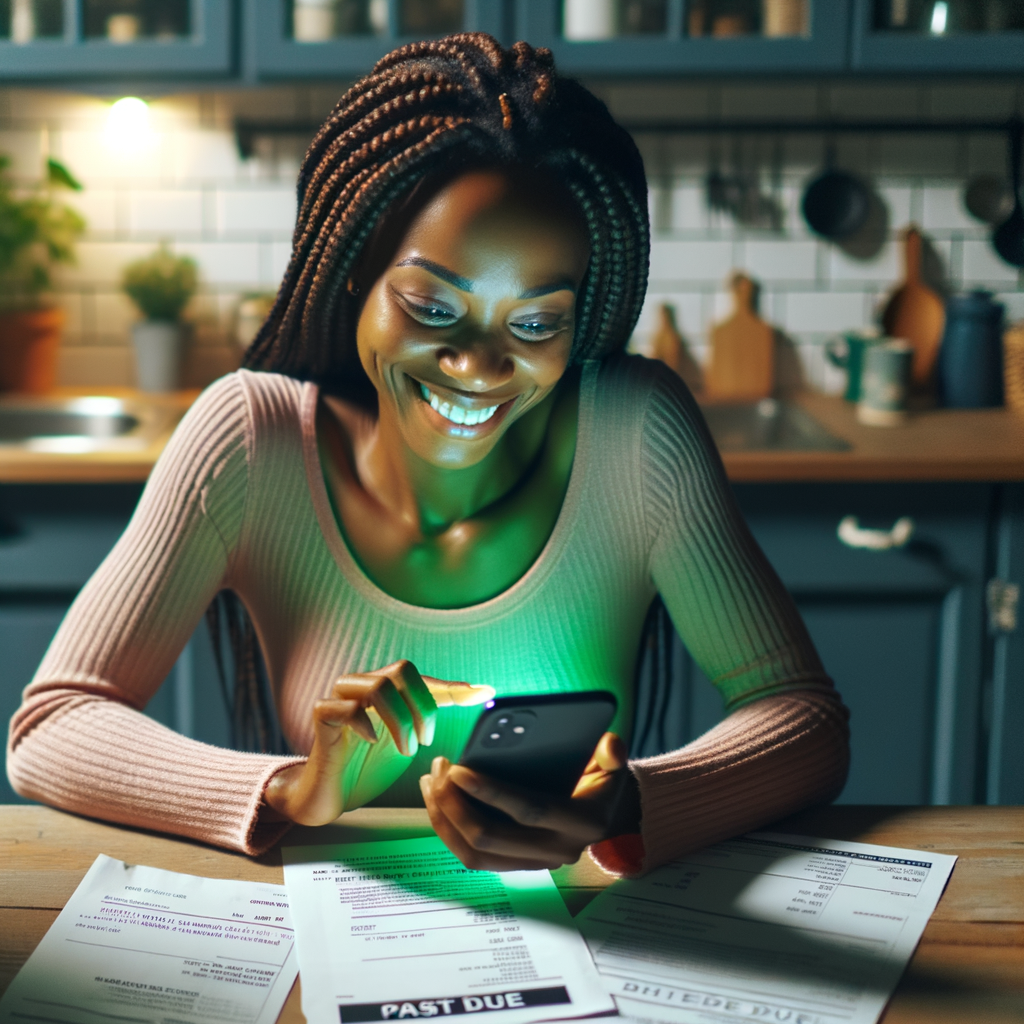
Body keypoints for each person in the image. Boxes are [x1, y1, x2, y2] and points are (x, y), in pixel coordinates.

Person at [6, 34, 848, 875]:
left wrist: (626, 807)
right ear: (351, 274)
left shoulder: (636, 434)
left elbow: (803, 719)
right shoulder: (250, 441)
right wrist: (294, 791)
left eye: (534, 324)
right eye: (431, 306)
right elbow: (53, 728)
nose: (479, 366)